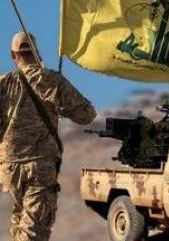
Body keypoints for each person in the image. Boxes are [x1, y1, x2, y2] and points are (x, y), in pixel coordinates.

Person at [0, 31, 97, 241]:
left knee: (21, 221)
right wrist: (60, 102)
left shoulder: (3, 83)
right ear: (36, 53)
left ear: (13, 55)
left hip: (9, 168)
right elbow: (87, 114)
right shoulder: (50, 80)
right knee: (34, 231)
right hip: (39, 167)